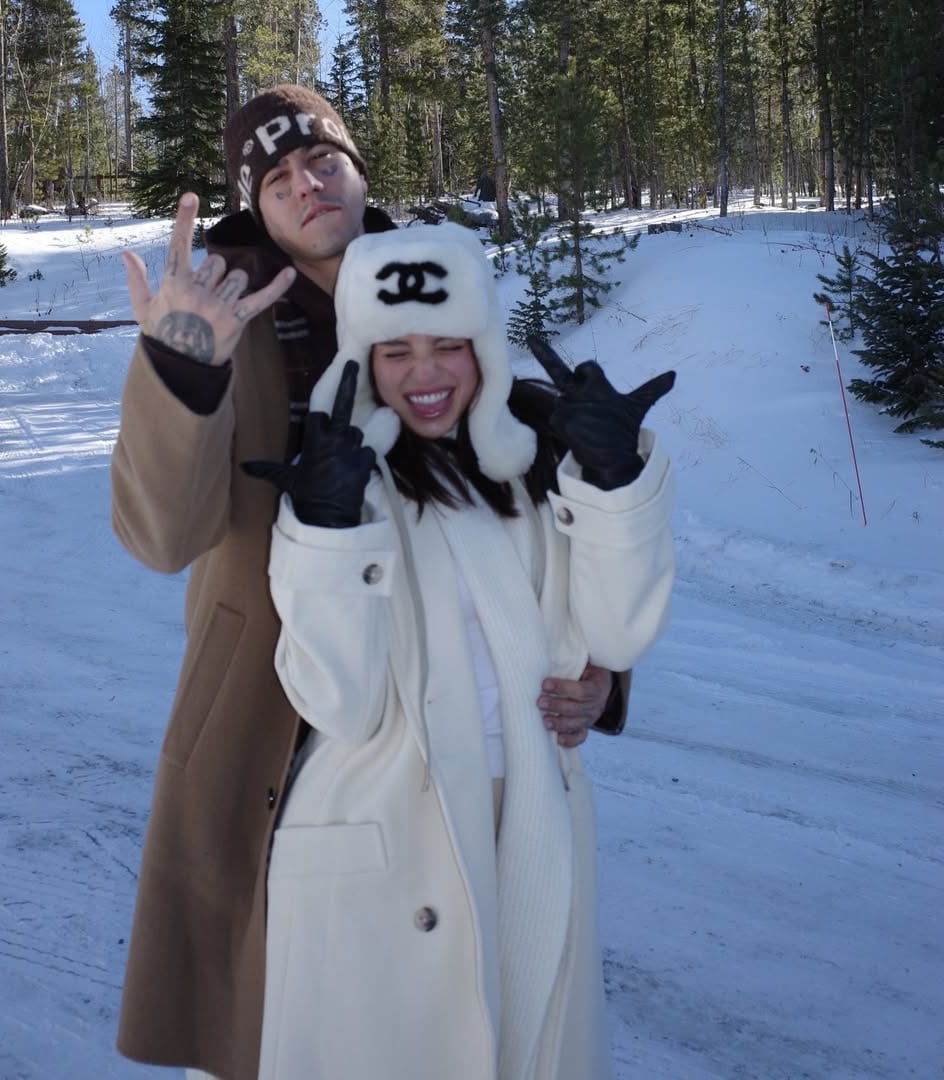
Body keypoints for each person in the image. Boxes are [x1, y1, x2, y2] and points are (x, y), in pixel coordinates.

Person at [111, 85, 629, 1079]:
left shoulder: (433, 285)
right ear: (255, 206)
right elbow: (160, 535)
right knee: (306, 1020)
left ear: (357, 170)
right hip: (277, 712)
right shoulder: (227, 314)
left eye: (323, 160)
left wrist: (595, 663)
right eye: (276, 178)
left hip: (454, 718)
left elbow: (520, 510)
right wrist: (184, 367)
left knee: (485, 994)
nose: (306, 184)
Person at [243, 222, 676, 1080]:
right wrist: (327, 532)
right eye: (395, 351)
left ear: (484, 347)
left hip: (531, 815)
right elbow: (341, 705)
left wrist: (614, 483)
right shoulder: (340, 478)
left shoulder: (534, 463)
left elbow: (616, 632)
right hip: (382, 831)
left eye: (448, 345)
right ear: (362, 360)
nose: (426, 374)